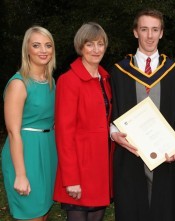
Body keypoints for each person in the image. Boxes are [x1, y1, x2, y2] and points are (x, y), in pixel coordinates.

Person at [110, 8, 175, 221]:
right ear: (136, 32)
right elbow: (112, 110)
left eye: (155, 30)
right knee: (132, 207)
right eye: (144, 29)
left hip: (165, 156)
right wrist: (113, 132)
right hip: (130, 153)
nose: (150, 36)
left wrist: (174, 145)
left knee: (165, 208)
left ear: (162, 33)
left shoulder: (174, 72)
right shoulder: (119, 71)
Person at [53, 22, 112, 221]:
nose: (96, 50)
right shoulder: (69, 80)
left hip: (100, 169)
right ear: (81, 46)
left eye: (100, 44)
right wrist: (71, 179)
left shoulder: (105, 79)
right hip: (79, 170)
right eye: (90, 44)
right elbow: (64, 133)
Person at [1, 26, 57, 220]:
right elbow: (13, 131)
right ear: (27, 49)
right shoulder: (19, 84)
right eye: (36, 45)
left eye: (48, 45)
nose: (43, 50)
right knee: (31, 213)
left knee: (43, 213)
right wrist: (21, 174)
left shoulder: (51, 81)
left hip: (48, 151)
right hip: (26, 154)